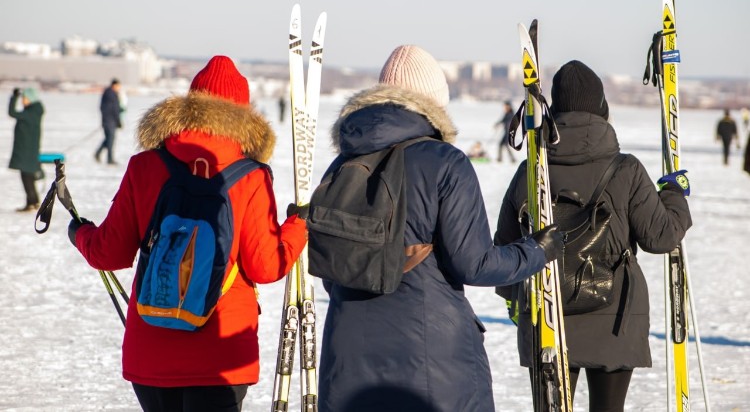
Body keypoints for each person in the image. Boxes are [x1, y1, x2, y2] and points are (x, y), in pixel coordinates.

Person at [316, 45, 564, 412]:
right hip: (430, 355)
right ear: (435, 103)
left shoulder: (342, 163)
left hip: (347, 352)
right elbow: (473, 263)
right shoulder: (445, 163)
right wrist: (535, 251)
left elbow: (332, 263)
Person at [67, 56, 309, 412]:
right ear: (244, 114)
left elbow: (110, 253)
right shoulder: (252, 175)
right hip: (221, 356)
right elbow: (266, 266)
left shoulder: (145, 165)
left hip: (151, 350)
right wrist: (297, 227)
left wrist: (80, 233)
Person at [494, 60, 692, 411]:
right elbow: (661, 238)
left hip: (547, 317)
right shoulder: (626, 169)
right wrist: (674, 192)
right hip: (615, 319)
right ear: (603, 109)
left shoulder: (529, 172)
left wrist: (516, 304)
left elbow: (506, 250)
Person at [8, 87, 45, 212]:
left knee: (27, 177)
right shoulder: (32, 111)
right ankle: (33, 202)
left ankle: (32, 202)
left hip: (27, 151)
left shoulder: (31, 113)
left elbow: (12, 113)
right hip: (28, 150)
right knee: (27, 177)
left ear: (31, 99)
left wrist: (14, 97)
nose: (23, 101)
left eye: (24, 98)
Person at [95, 78, 123, 165]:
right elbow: (114, 109)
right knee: (110, 140)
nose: (119, 88)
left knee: (108, 139)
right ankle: (109, 159)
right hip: (110, 121)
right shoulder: (111, 94)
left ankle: (98, 153)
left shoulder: (109, 93)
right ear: (114, 85)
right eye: (118, 86)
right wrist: (118, 121)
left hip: (109, 121)